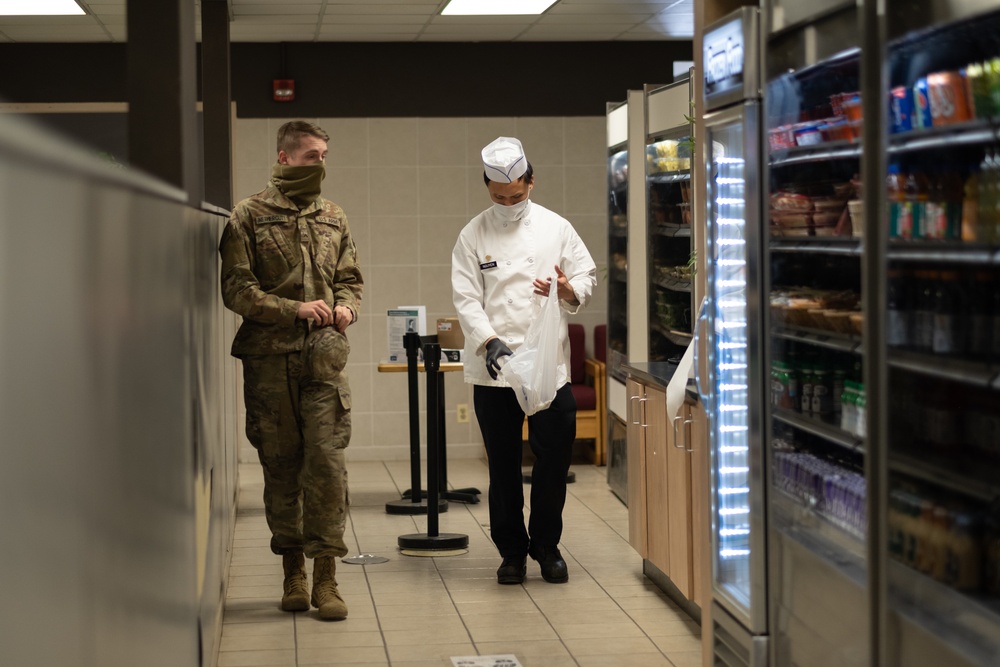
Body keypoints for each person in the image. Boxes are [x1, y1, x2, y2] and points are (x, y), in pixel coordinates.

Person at [219, 120, 363, 620]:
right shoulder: (248, 216)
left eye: (323, 156)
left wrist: (346, 307)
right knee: (282, 467)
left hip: (324, 361)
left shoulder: (333, 216)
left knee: (326, 465)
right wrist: (292, 309)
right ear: (284, 158)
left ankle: (327, 577)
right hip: (269, 363)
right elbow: (236, 290)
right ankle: (293, 572)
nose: (319, 164)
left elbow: (351, 279)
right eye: (310, 157)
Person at [451, 136, 597, 585]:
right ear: (488, 189)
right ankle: (511, 553)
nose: (509, 204)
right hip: (495, 371)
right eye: (499, 197)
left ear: (531, 181)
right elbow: (465, 297)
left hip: (548, 370)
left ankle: (547, 548)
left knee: (553, 463)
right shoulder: (473, 234)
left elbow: (586, 274)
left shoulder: (557, 227)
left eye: (516, 195)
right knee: (503, 466)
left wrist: (570, 290)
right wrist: (489, 340)